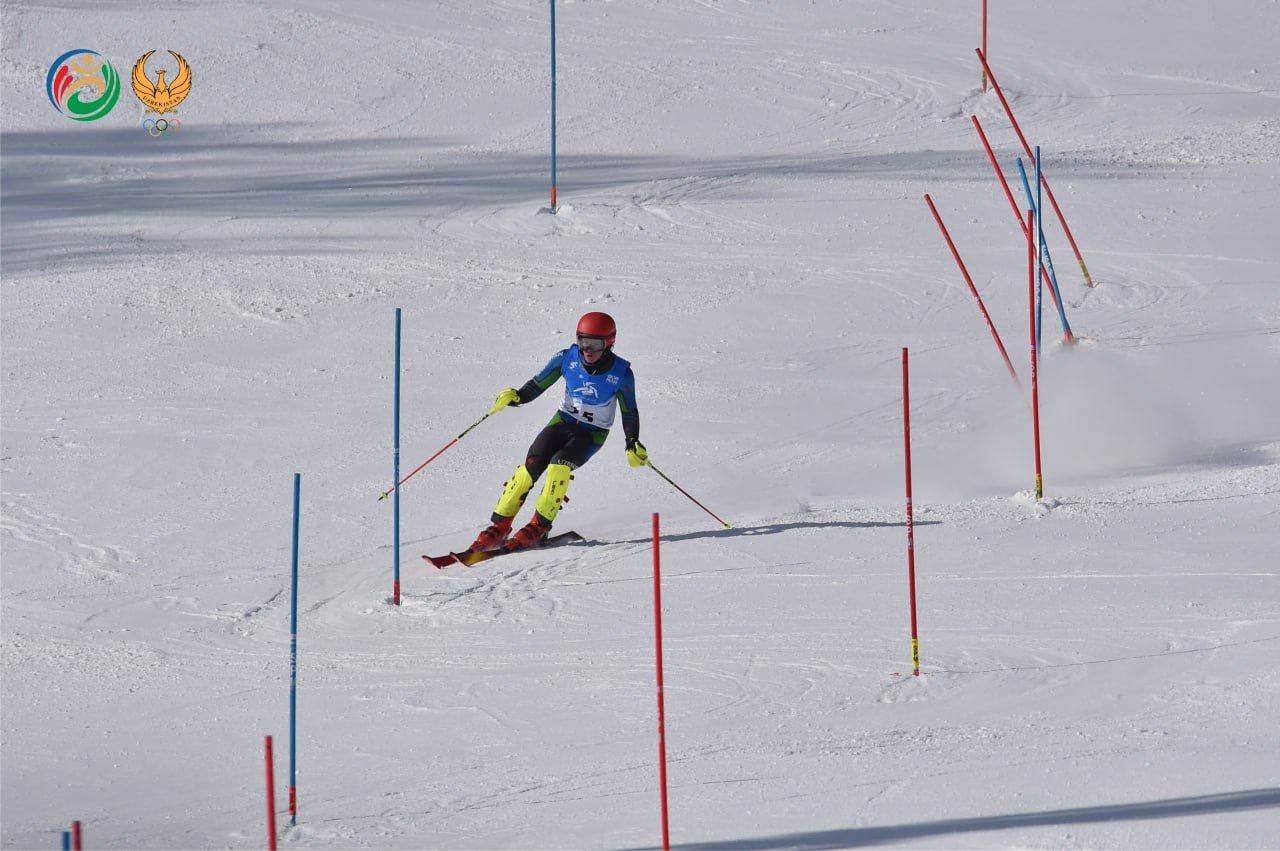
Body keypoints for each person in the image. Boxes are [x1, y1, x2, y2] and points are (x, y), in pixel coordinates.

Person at [469, 311, 648, 553]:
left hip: (592, 433)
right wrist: (516, 397)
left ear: (609, 343)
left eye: (595, 344)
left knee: (558, 467)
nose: (588, 350)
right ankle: (499, 526)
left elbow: (629, 411)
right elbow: (537, 385)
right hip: (563, 421)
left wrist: (632, 441)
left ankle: (539, 527)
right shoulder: (566, 358)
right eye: (583, 341)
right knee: (531, 465)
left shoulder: (622, 373)